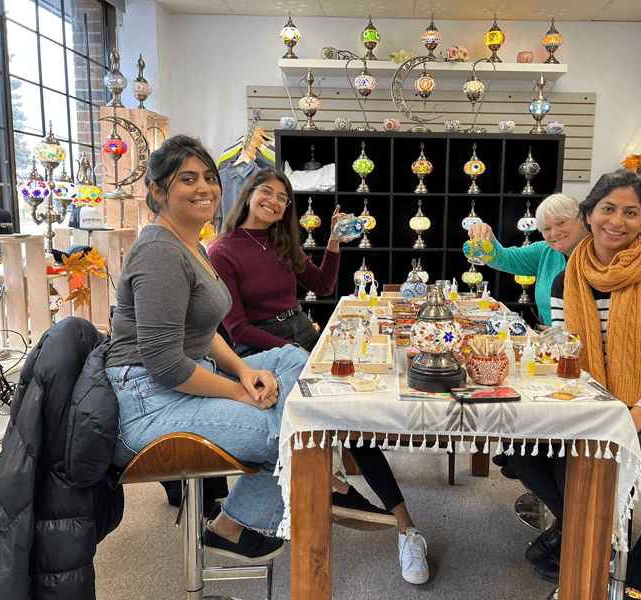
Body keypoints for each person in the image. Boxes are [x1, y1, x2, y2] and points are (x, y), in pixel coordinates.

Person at [208, 168, 430, 585]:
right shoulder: (222, 250)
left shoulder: (281, 243)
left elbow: (325, 284)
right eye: (267, 192)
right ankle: (338, 488)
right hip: (264, 351)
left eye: (283, 198)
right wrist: (294, 353)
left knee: (356, 414)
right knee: (333, 417)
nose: (274, 202)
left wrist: (333, 242)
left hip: (302, 334)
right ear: (249, 194)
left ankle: (388, 514)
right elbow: (237, 329)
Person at [106, 135, 308, 562]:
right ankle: (233, 525)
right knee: (291, 432)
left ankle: (283, 473)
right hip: (149, 401)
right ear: (158, 190)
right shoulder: (159, 252)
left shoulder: (191, 244)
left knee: (292, 359)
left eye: (210, 178)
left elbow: (203, 329)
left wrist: (243, 370)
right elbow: (164, 365)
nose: (205, 188)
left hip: (184, 374)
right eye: (187, 179)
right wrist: (237, 391)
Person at [509, 169, 641, 582]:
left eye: (631, 212)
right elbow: (568, 356)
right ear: (589, 215)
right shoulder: (566, 281)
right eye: (607, 209)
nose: (617, 221)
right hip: (595, 400)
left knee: (590, 453)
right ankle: (581, 531)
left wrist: (630, 417)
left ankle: (589, 552)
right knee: (519, 442)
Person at [467, 193, 588, 326]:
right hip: (554, 337)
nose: (554, 233)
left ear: (582, 220)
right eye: (547, 228)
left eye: (561, 223)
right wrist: (488, 238)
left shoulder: (600, 251)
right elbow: (503, 258)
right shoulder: (544, 251)